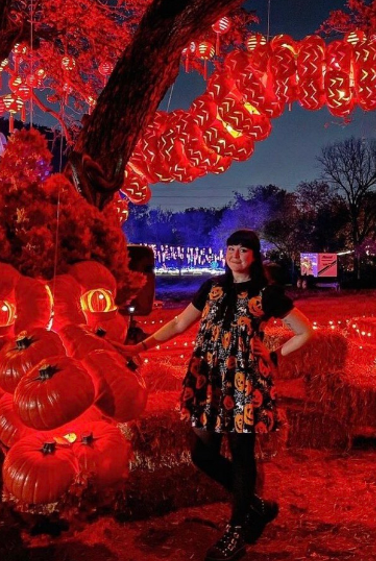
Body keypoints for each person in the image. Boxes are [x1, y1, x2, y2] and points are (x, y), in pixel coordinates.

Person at [118, 229, 312, 561]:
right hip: (208, 377)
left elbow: (305, 331)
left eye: (244, 250)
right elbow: (180, 324)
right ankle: (255, 505)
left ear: (254, 255)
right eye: (231, 248)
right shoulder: (213, 287)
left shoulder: (267, 293)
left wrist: (275, 354)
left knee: (241, 452)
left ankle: (236, 532)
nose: (235, 254)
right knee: (201, 454)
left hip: (244, 382)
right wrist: (140, 346)